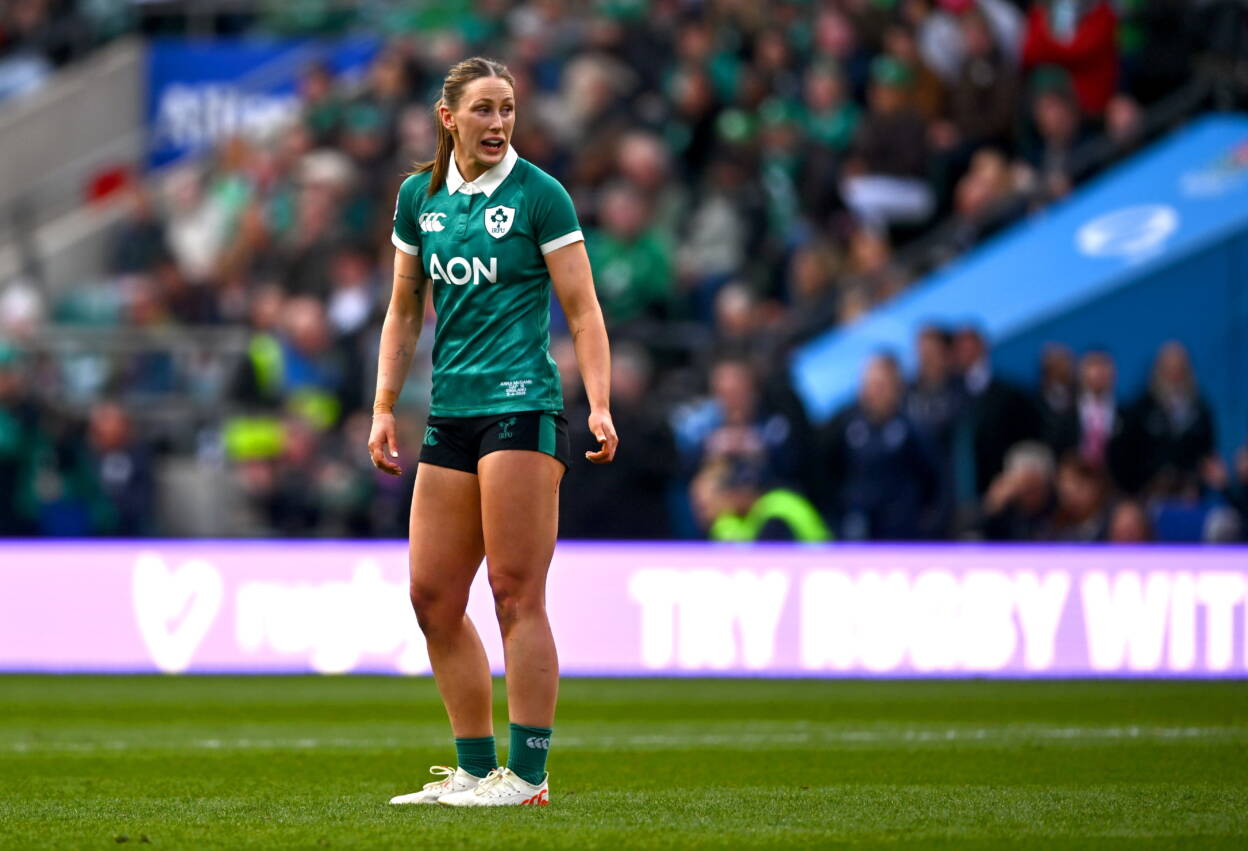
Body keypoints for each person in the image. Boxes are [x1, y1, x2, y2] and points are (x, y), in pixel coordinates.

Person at [369, 57, 617, 808]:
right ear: (448, 117)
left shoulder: (541, 195)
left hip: (522, 406)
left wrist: (599, 403)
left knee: (515, 591)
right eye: (483, 109)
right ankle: (476, 769)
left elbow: (583, 309)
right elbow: (404, 309)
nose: (499, 123)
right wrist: (383, 406)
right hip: (451, 412)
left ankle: (530, 776)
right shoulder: (421, 199)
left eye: (507, 109)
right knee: (432, 596)